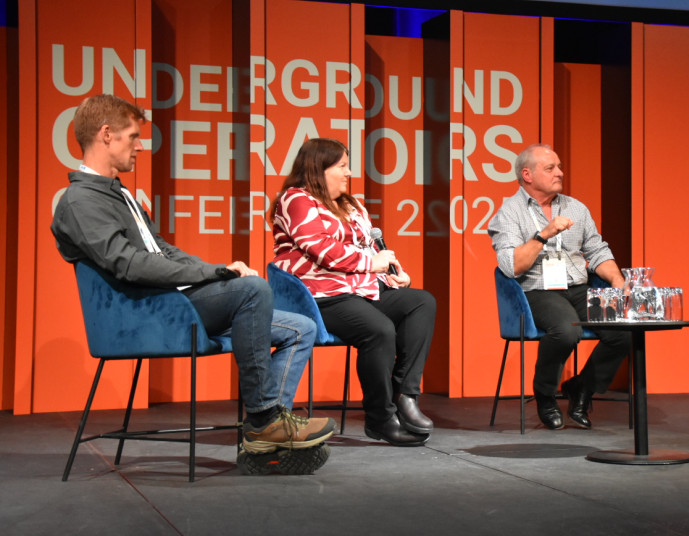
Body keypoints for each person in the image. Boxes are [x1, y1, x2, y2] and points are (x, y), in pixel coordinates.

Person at [50, 94, 335, 463]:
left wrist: (217, 271)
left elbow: (161, 250)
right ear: (106, 134)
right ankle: (264, 420)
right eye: (133, 136)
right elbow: (131, 265)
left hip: (174, 303)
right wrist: (214, 274)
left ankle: (266, 439)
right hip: (147, 313)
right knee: (252, 290)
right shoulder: (80, 201)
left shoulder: (119, 194)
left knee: (301, 328)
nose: (140, 146)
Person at [270, 138, 437, 447]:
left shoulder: (352, 204)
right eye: (342, 166)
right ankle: (380, 418)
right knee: (379, 330)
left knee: (420, 302)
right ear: (318, 169)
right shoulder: (296, 199)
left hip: (361, 290)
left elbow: (368, 248)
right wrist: (371, 264)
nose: (349, 173)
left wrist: (392, 276)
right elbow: (321, 249)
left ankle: (404, 394)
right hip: (318, 294)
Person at [488, 144, 630, 430]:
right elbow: (511, 266)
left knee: (626, 330)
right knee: (566, 331)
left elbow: (598, 251)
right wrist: (544, 235)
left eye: (559, 166)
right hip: (536, 290)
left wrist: (617, 282)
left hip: (578, 286)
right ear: (527, 175)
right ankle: (545, 394)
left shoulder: (575, 207)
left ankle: (582, 388)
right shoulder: (509, 213)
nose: (560, 173)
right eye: (550, 168)